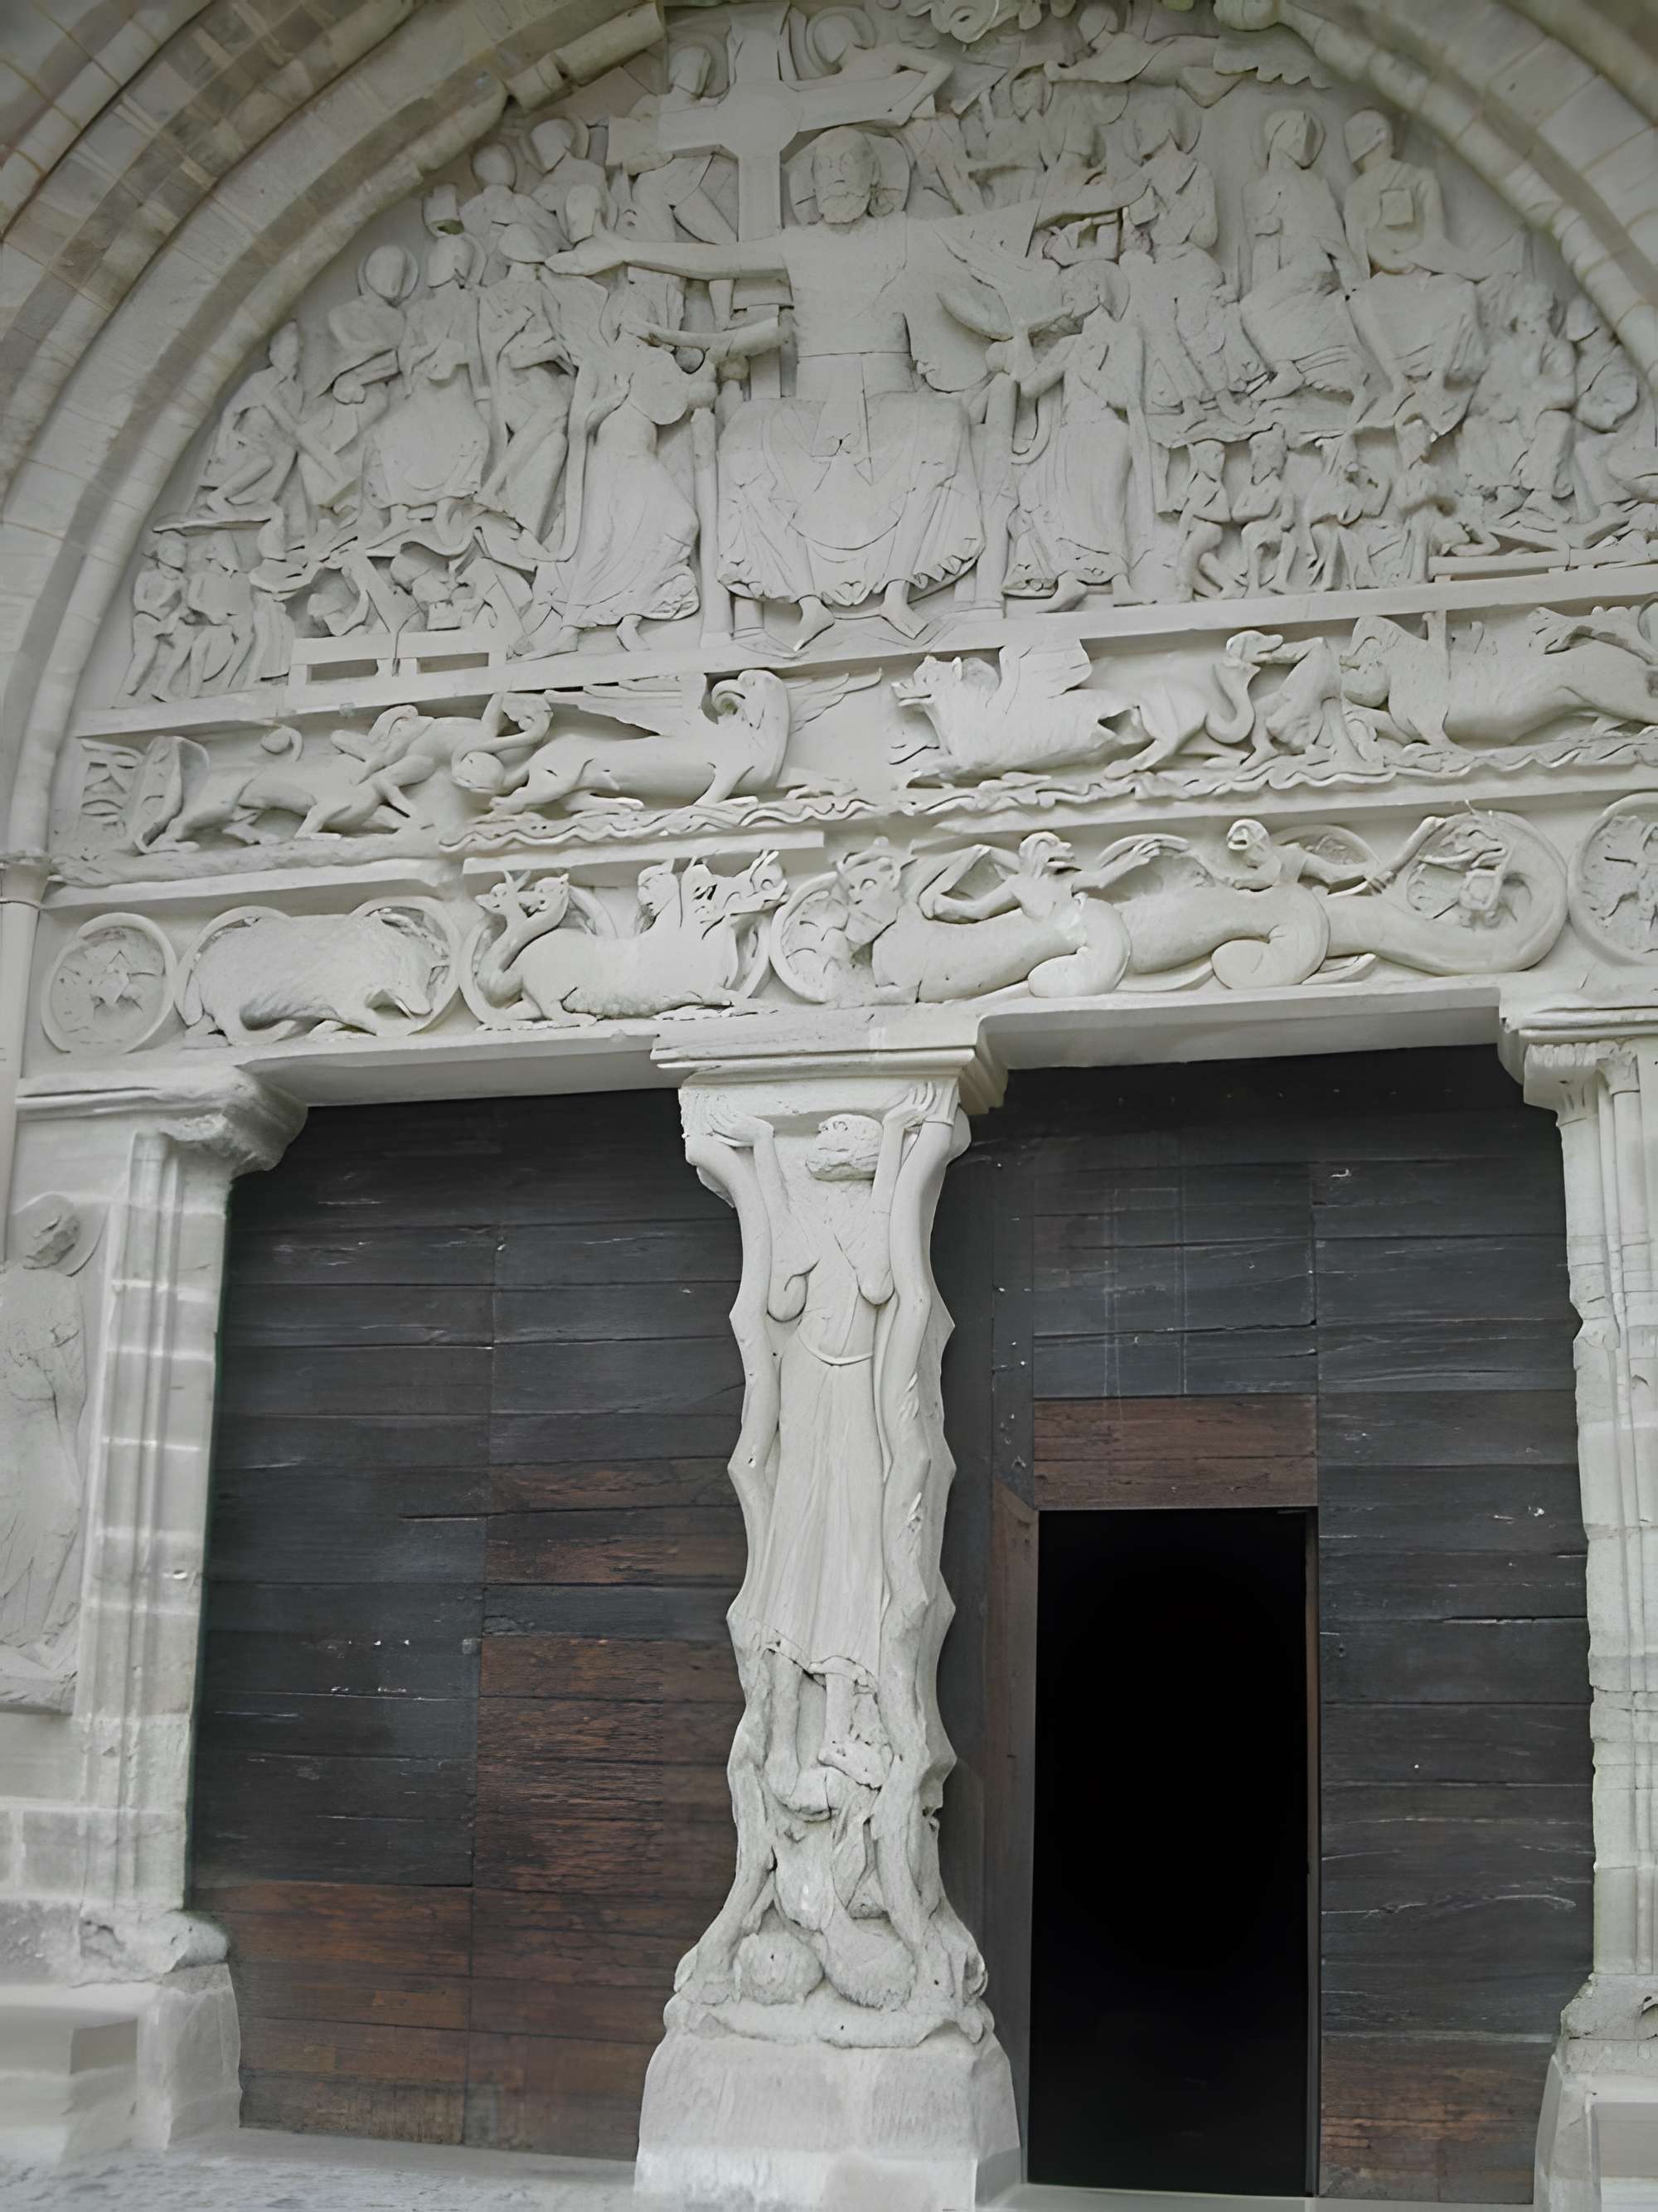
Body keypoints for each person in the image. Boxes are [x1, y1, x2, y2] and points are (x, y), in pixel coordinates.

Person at [551, 126, 993, 648]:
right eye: (824, 168)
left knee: (940, 430)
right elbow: (716, 261)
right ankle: (807, 601)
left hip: (889, 395)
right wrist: (624, 250)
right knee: (741, 444)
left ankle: (897, 589)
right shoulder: (797, 243)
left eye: (848, 164)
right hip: (812, 404)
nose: (836, 176)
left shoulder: (904, 233)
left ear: (875, 177)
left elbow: (980, 237)